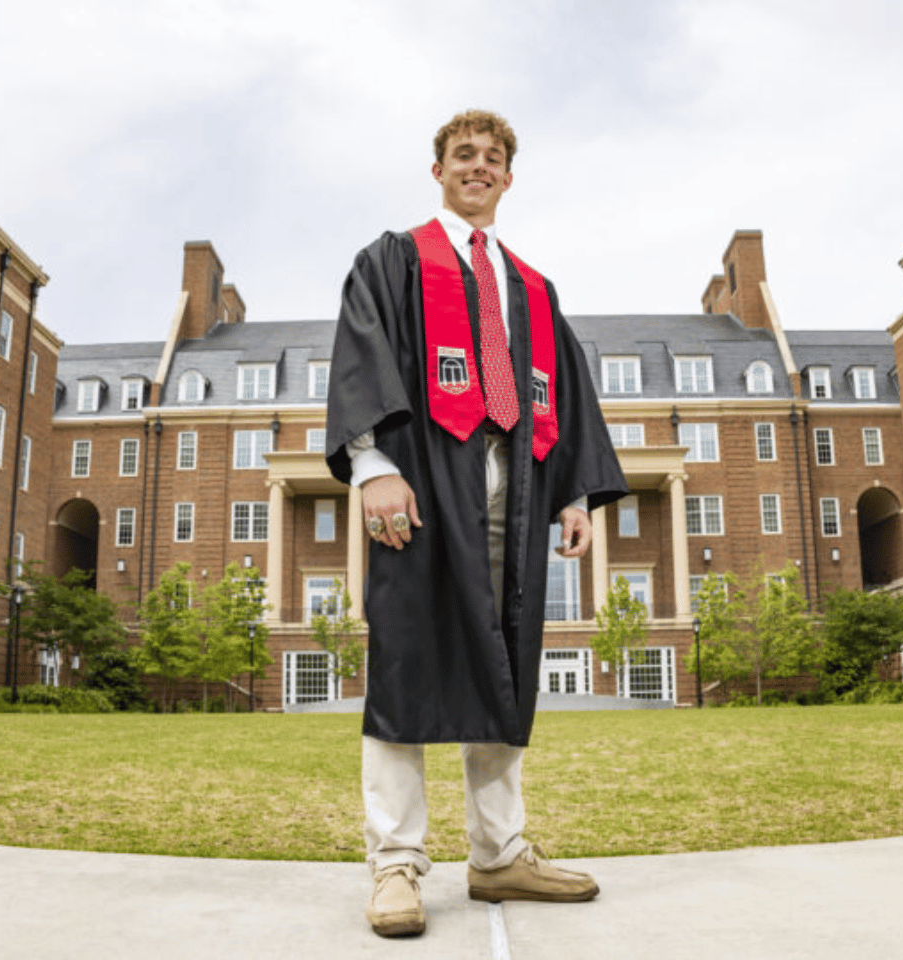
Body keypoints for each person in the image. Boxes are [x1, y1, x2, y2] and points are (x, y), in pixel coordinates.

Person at [325, 109, 628, 938]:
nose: (479, 167)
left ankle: (499, 856)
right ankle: (396, 864)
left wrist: (572, 494)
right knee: (406, 662)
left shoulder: (532, 286)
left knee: (505, 665)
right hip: (422, 487)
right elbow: (363, 351)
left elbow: (563, 393)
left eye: (493, 158)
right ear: (439, 170)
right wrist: (374, 467)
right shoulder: (395, 260)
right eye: (464, 155)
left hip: (516, 492)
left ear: (508, 177)